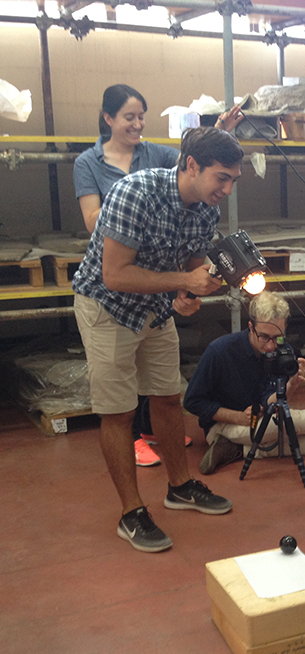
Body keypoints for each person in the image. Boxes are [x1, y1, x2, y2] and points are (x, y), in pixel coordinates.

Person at [72, 126, 245, 553]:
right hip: (107, 307)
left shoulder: (205, 208)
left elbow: (190, 262)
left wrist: (185, 295)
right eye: (220, 177)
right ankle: (131, 512)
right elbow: (115, 274)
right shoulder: (137, 193)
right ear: (191, 165)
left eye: (233, 181)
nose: (226, 188)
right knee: (119, 412)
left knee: (168, 397)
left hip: (153, 309)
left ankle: (180, 485)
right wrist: (182, 280)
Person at [183, 291, 305, 475]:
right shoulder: (220, 351)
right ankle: (232, 443)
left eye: (277, 337)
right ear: (250, 326)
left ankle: (240, 450)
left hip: (262, 420)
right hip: (223, 426)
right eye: (264, 337)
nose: (271, 346)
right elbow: (192, 401)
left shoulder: (283, 349)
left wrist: (291, 385)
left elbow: (271, 401)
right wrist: (238, 417)